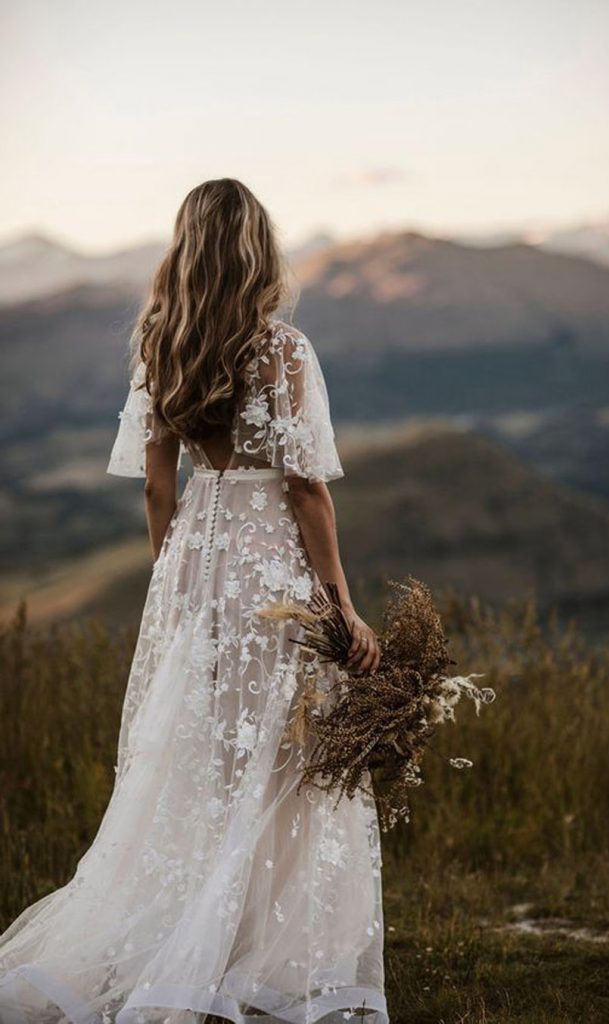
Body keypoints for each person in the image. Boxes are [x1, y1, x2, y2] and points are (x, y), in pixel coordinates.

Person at [0, 178, 388, 1024]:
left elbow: (155, 487)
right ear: (258, 248)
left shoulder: (157, 342)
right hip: (268, 576)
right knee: (287, 759)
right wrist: (341, 608)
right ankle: (253, 952)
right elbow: (306, 490)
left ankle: (209, 938)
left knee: (207, 761)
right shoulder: (281, 349)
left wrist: (177, 582)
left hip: (193, 571)